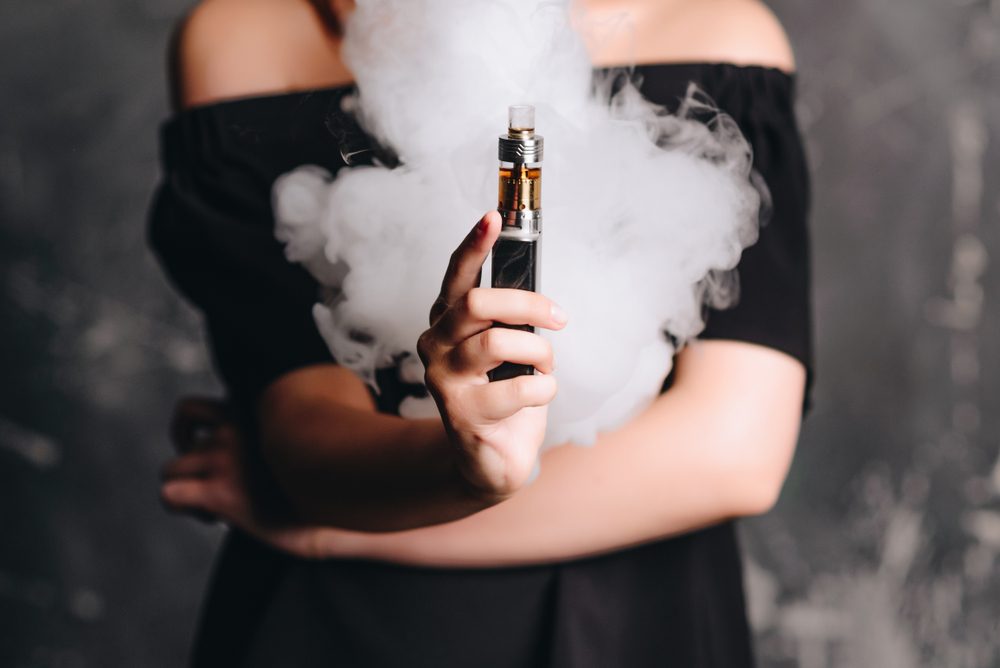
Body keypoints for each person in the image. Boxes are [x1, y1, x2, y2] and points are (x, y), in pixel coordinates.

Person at [150, 0, 812, 665]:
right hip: (335, 628)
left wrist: (328, 532)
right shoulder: (248, 35)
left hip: (626, 622)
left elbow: (732, 453)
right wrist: (458, 472)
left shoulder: (709, 30)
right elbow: (303, 423)